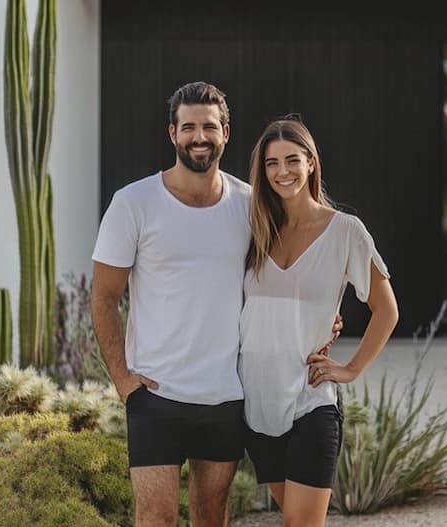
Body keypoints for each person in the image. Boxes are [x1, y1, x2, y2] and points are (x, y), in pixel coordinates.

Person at [91, 82, 341, 527]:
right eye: (188, 127)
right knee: (156, 517)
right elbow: (104, 296)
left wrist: (321, 317)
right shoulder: (133, 204)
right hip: (155, 395)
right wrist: (124, 381)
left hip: (226, 394)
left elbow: (287, 272)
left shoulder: (251, 205)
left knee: (212, 517)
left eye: (209, 127)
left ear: (225, 132)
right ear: (172, 133)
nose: (199, 137)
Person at [241, 115, 398, 527]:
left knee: (300, 524)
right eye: (272, 163)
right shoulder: (255, 229)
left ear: (311, 162)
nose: (282, 172)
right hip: (257, 402)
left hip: (311, 399)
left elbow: (387, 310)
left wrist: (351, 369)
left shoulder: (345, 231)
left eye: (292, 160)